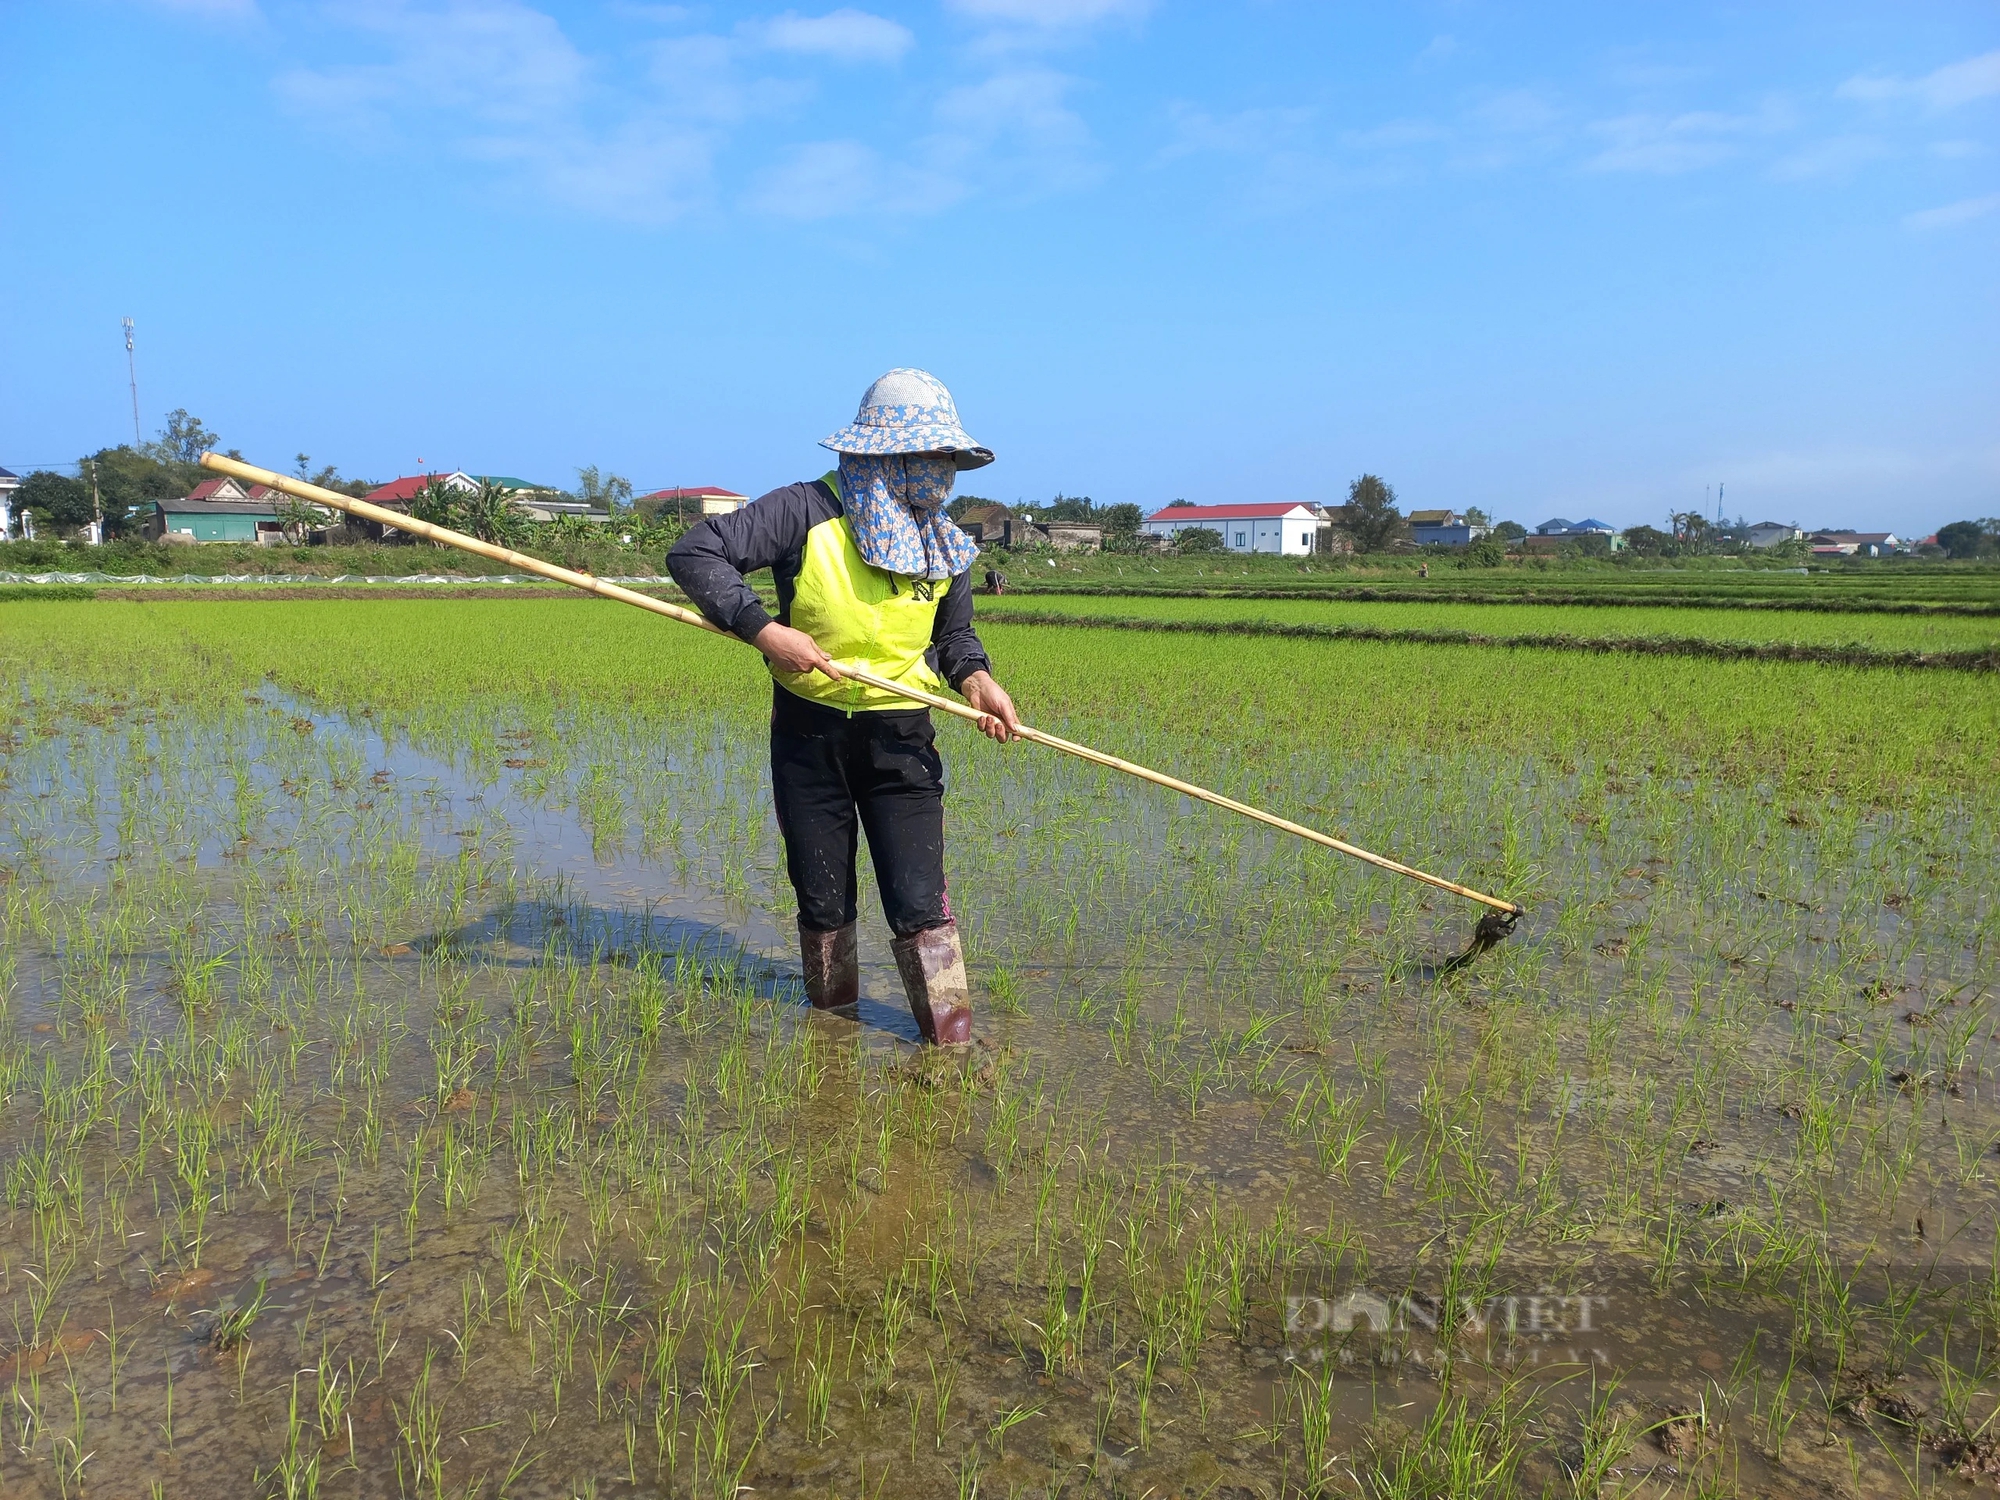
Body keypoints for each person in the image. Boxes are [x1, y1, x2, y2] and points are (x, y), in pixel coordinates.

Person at [668, 370, 1020, 1045]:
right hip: (809, 736)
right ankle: (831, 1039)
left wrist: (976, 682)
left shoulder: (942, 540)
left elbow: (954, 637)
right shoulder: (803, 510)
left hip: (901, 741)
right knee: (823, 901)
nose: (943, 475)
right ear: (884, 454)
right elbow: (697, 552)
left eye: (948, 460)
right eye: (931, 458)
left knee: (921, 904)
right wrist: (766, 631)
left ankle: (950, 1043)